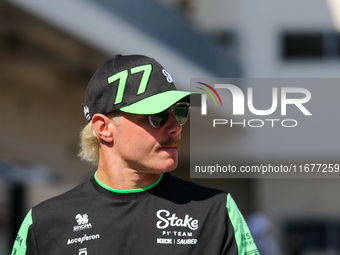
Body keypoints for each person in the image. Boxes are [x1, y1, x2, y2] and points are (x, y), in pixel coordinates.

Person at [11, 54, 259, 255]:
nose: (175, 127)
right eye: (158, 115)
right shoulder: (43, 222)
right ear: (104, 128)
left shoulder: (216, 211)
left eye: (180, 112)